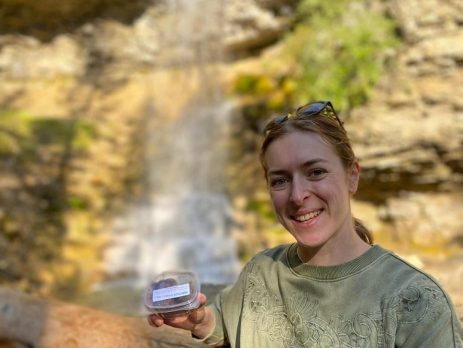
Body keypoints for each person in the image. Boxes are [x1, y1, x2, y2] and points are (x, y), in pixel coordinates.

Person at [148, 101, 463, 347]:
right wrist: (198, 321)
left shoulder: (416, 299)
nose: (298, 196)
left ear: (352, 175)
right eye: (281, 180)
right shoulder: (262, 272)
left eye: (315, 172)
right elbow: (227, 322)